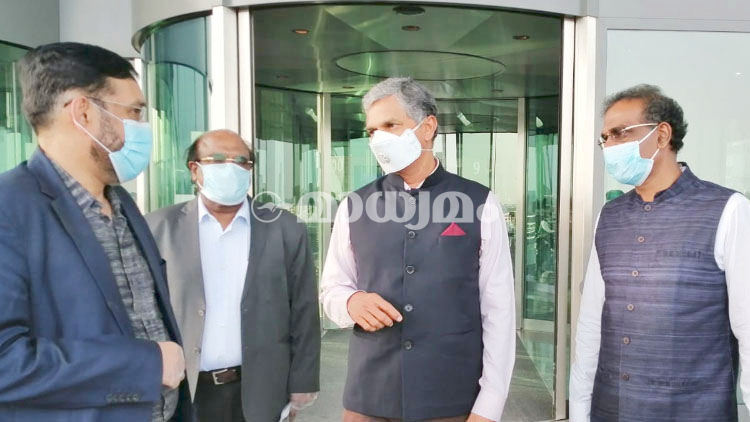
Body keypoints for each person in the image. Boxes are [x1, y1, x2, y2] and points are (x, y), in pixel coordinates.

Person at [0, 42, 193, 421]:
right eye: (134, 112)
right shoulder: (10, 209)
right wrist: (147, 364)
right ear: (84, 112)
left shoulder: (123, 203)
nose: (142, 127)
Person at [320, 77, 515, 422]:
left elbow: (498, 309)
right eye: (372, 131)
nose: (378, 139)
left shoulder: (480, 202)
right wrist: (351, 302)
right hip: (369, 396)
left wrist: (489, 405)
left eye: (390, 125)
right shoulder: (354, 205)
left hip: (451, 397)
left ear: (427, 128)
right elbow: (332, 289)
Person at [569, 84, 750, 421]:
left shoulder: (728, 210)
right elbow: (592, 322)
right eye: (605, 138)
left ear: (662, 135)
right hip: (613, 409)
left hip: (695, 411)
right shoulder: (610, 216)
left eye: (620, 133)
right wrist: (580, 409)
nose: (610, 146)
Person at [146, 129, 321, 422]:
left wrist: (304, 382)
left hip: (259, 390)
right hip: (182, 391)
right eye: (217, 160)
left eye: (241, 161)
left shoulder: (285, 228)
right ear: (194, 170)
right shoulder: (158, 228)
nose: (231, 168)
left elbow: (304, 311)